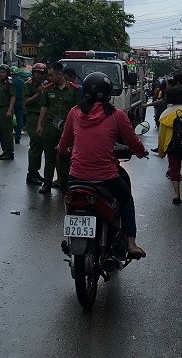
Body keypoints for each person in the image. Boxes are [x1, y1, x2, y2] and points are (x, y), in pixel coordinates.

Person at [57, 71, 149, 258]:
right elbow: (133, 142)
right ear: (108, 93)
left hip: (76, 177)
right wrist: (142, 152)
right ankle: (131, 243)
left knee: (70, 201)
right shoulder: (117, 115)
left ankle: (71, 238)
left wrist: (62, 150)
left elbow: (63, 144)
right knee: (126, 198)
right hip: (106, 177)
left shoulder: (74, 113)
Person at [36, 62, 82, 194]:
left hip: (67, 128)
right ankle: (47, 183)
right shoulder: (48, 89)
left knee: (66, 157)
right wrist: (40, 124)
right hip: (50, 127)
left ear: (60, 74)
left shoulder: (74, 89)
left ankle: (65, 183)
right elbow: (44, 107)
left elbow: (78, 110)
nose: (49, 78)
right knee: (49, 156)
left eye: (51, 75)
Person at [156, 87, 182, 204]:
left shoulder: (165, 114)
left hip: (171, 145)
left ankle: (176, 193)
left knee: (174, 168)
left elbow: (161, 134)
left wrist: (161, 150)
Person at [23, 63, 49, 185]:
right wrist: (38, 93)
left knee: (41, 146)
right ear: (33, 73)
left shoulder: (46, 84)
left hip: (45, 118)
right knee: (35, 146)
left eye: (41, 73)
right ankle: (31, 173)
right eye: (37, 72)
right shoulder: (28, 85)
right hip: (33, 117)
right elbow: (26, 102)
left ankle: (35, 171)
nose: (39, 75)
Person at [0, 65, 16, 160]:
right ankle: (5, 151)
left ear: (7, 73)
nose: (1, 74)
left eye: (3, 72)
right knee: (1, 132)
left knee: (7, 132)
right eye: (0, 72)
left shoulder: (9, 83)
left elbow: (13, 97)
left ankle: (10, 152)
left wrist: (10, 110)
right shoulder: (1, 84)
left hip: (6, 109)